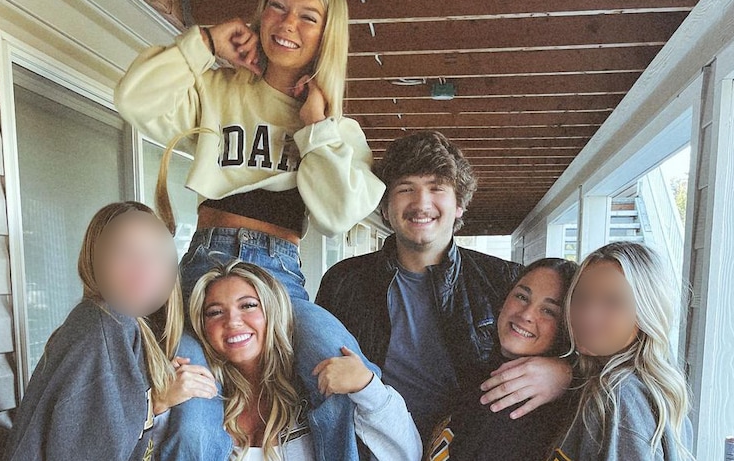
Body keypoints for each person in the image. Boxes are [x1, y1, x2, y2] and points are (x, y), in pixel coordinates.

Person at [114, 0, 385, 459]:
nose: (287, 24)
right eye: (277, 7)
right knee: (193, 406)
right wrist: (203, 43)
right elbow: (135, 100)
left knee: (337, 365)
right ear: (260, 14)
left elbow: (338, 213)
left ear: (327, 34)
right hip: (204, 270)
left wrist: (317, 127)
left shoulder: (336, 128)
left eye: (308, 16)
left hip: (281, 277)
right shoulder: (217, 89)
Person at [316, 131, 574, 448]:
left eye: (436, 189)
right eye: (406, 189)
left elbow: (584, 345)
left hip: (465, 445)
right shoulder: (343, 281)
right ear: (385, 207)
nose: (421, 203)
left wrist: (564, 374)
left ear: (460, 205)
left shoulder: (504, 280)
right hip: (371, 448)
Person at [2, 201, 212, 460]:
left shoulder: (127, 327)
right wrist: (157, 404)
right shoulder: (106, 325)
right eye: (125, 254)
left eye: (157, 254)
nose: (144, 268)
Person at [188, 260, 422, 461]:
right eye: (215, 312)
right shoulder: (203, 403)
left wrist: (367, 387)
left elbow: (407, 453)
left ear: (272, 311)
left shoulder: (312, 391)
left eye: (248, 305)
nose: (232, 321)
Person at [550, 242, 694, 460]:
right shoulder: (639, 388)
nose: (588, 315)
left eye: (613, 302)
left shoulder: (618, 398)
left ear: (647, 313)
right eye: (581, 298)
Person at [427, 258, 580, 461]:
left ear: (566, 328)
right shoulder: (479, 371)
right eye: (522, 296)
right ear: (503, 301)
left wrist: (570, 374)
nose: (527, 314)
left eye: (548, 311)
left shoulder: (532, 413)